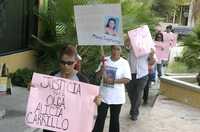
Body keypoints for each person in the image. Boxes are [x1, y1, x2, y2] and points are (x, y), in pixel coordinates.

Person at [31, 45, 102, 132]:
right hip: (51, 126)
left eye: (69, 63)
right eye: (63, 62)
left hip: (71, 127)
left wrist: (96, 101)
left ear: (75, 62)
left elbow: (89, 104)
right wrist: (34, 88)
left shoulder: (82, 81)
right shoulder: (52, 76)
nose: (66, 66)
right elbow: (43, 97)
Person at [92, 45, 131, 132]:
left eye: (118, 49)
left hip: (117, 97)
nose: (115, 51)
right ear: (111, 49)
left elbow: (127, 79)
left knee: (114, 120)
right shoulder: (105, 60)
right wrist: (102, 69)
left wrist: (113, 81)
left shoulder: (124, 63)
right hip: (103, 96)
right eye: (113, 48)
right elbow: (97, 76)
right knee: (100, 118)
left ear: (121, 51)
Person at [125, 37, 155, 121]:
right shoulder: (132, 43)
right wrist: (129, 37)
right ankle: (133, 108)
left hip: (142, 74)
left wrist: (152, 55)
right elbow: (126, 44)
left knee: (138, 94)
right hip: (130, 73)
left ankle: (134, 113)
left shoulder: (150, 46)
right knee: (131, 93)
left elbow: (151, 62)